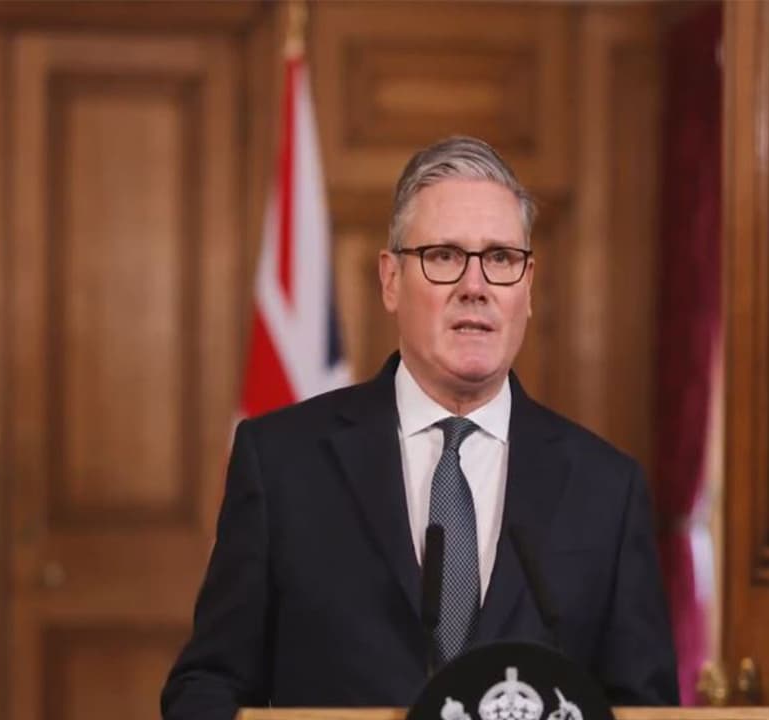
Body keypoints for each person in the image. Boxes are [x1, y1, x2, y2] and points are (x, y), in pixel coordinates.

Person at [161, 136, 678, 719]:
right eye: (445, 256)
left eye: (501, 259)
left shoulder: (606, 488)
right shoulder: (282, 463)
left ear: (528, 286)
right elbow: (206, 685)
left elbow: (646, 708)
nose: (475, 287)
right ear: (390, 279)